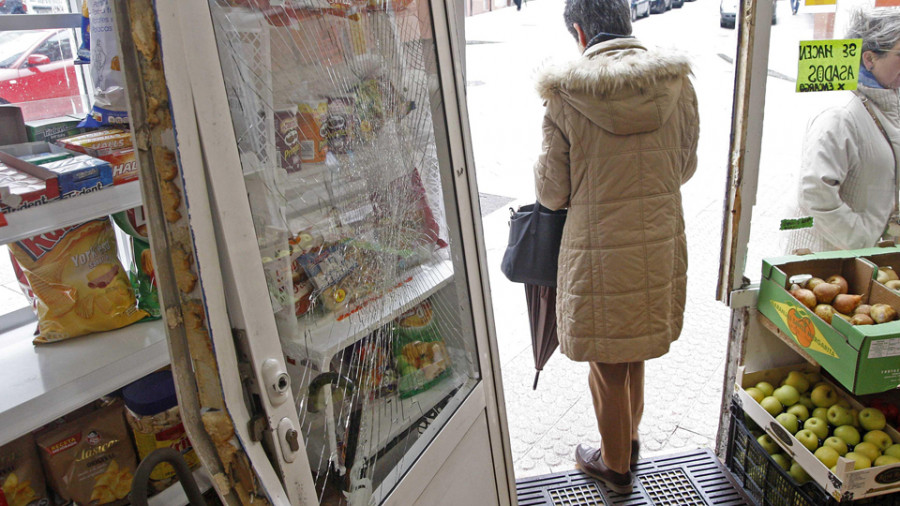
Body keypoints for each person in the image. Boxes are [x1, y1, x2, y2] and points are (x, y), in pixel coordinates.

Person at [532, 0, 699, 494]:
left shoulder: (565, 96)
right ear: (627, 23)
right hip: (658, 237)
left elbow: (552, 192)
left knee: (607, 363)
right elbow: (685, 167)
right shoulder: (676, 85)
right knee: (634, 348)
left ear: (581, 33)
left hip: (597, 249)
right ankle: (628, 439)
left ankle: (614, 465)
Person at [789, 8, 900, 253]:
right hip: (831, 262)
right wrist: (862, 240)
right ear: (869, 59)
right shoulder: (840, 113)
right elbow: (815, 193)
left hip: (867, 255)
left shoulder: (887, 105)